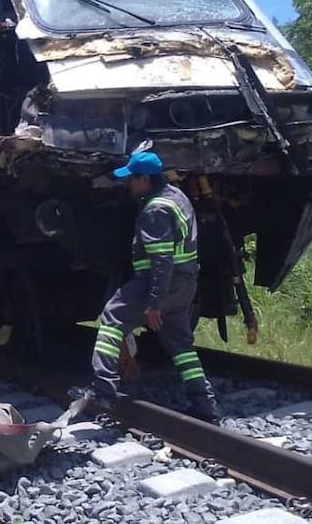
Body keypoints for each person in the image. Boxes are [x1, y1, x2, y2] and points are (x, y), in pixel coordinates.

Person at [72, 151, 219, 423]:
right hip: (185, 284)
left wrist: (153, 302)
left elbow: (161, 260)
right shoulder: (178, 198)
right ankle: (204, 403)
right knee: (182, 346)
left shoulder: (155, 210)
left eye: (132, 179)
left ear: (145, 179)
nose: (129, 184)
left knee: (112, 319)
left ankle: (102, 390)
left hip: (159, 281)